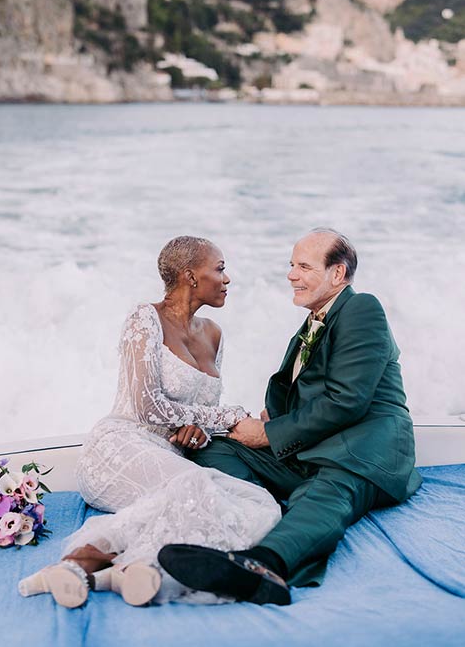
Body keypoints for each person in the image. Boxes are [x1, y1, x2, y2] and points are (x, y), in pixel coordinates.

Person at [158, 228, 422, 606]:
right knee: (212, 448)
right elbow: (311, 391)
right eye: (291, 265)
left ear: (337, 274)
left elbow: (347, 400)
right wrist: (269, 419)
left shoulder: (362, 309)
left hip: (363, 452)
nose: (291, 275)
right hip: (312, 449)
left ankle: (264, 566)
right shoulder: (312, 323)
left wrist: (268, 434)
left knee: (328, 490)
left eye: (303, 266)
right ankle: (269, 515)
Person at [18, 236, 280, 608]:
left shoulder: (215, 334)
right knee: (195, 489)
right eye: (219, 269)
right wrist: (231, 418)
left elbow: (193, 411)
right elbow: (148, 408)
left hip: (169, 457)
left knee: (259, 503)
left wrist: (199, 433)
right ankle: (76, 563)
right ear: (190, 276)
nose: (227, 278)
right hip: (119, 447)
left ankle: (119, 572)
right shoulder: (145, 317)